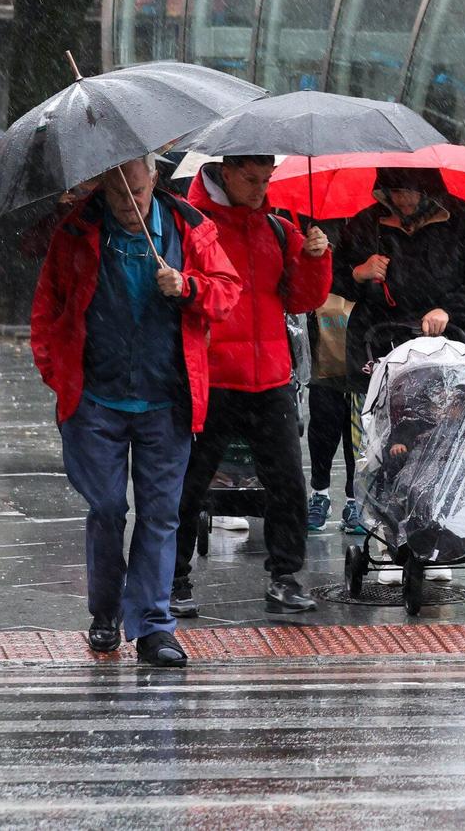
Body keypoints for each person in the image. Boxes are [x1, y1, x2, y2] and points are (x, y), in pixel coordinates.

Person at [31, 156, 241, 668]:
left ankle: (153, 626)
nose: (131, 205)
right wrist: (59, 377)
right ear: (103, 188)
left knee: (160, 515)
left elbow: (227, 292)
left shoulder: (190, 226)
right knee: (106, 508)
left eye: (140, 193)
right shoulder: (77, 229)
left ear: (154, 183)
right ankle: (105, 611)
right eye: (120, 195)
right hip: (96, 401)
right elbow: (47, 307)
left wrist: (188, 287)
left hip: (166, 400)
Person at [171, 156, 333, 618]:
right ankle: (174, 577)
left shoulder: (277, 228)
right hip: (215, 375)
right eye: (251, 179)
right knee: (189, 482)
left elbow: (303, 297)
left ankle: (285, 576)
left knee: (287, 482)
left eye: (267, 180)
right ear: (226, 171)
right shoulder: (193, 223)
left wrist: (316, 258)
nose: (261, 188)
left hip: (270, 377)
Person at [333, 167, 465, 584]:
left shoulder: (464, 222)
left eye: (410, 192)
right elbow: (336, 278)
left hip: (454, 347)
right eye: (395, 192)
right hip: (385, 345)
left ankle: (444, 530)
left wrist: (450, 310)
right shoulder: (366, 225)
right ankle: (391, 536)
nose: (404, 201)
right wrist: (359, 273)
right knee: (389, 443)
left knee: (448, 443)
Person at [306, 284, 361, 535]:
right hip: (324, 365)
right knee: (322, 429)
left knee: (358, 434)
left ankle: (355, 499)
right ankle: (320, 494)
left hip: (364, 362)